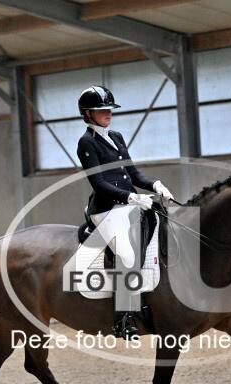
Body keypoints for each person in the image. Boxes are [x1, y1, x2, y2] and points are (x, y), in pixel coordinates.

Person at [76, 85, 175, 339]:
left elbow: (133, 174)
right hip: (106, 209)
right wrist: (131, 197)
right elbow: (99, 183)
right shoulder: (86, 143)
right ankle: (123, 318)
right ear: (88, 113)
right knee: (127, 254)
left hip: (129, 205)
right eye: (101, 110)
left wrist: (155, 185)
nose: (108, 113)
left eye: (109, 109)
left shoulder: (116, 137)